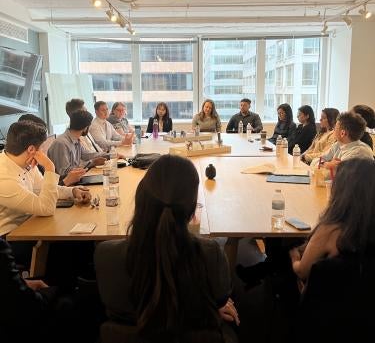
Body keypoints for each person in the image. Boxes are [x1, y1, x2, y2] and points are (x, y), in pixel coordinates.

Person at [95, 155, 239, 343]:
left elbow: (116, 307)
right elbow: (220, 299)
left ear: (141, 198)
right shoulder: (211, 254)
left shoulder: (106, 255)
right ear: (191, 207)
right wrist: (212, 308)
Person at [0, 121, 90, 261]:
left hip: (31, 223)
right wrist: (50, 167)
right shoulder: (3, 178)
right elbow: (46, 208)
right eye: (41, 148)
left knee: (78, 239)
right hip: (9, 239)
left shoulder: (26, 162)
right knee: (71, 245)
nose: (43, 152)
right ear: (31, 149)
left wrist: (72, 192)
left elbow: (45, 188)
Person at [0, 238, 104, 343]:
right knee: (89, 303)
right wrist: (51, 290)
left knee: (60, 253)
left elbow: (7, 284)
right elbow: (26, 307)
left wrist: (22, 282)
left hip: (14, 306)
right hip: (23, 323)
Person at [289, 158, 375, 282]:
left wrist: (295, 258)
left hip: (327, 298)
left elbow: (302, 271)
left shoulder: (330, 231)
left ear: (342, 190)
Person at [48, 110, 106, 186]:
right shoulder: (61, 143)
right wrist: (92, 163)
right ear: (85, 127)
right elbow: (63, 173)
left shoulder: (75, 139)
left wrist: (108, 155)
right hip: (64, 186)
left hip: (74, 182)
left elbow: (87, 155)